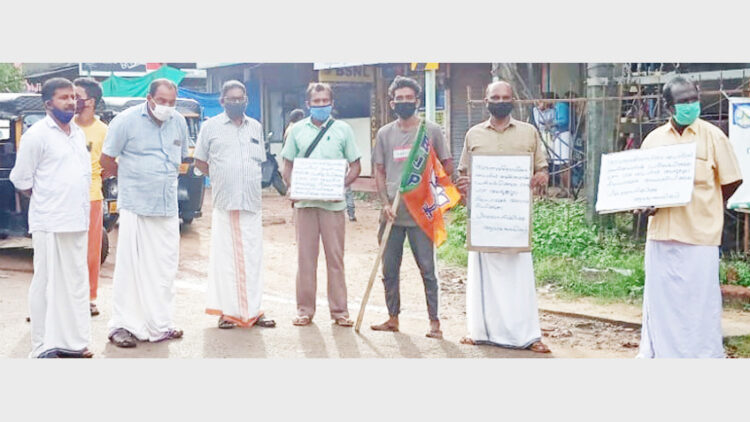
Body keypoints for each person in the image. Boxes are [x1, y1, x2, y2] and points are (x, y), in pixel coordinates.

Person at [635, 76, 742, 358]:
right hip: (661, 234)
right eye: (682, 101)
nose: (690, 105)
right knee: (662, 304)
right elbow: (642, 186)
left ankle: (701, 357)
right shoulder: (653, 140)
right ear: (669, 106)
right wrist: (645, 204)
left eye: (693, 99)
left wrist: (707, 206)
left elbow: (731, 180)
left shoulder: (713, 136)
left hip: (699, 235)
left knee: (699, 305)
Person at [456, 81, 551, 354]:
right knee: (482, 277)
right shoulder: (473, 135)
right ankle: (479, 331)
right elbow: (463, 174)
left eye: (505, 97)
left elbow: (542, 169)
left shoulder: (529, 132)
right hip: (485, 220)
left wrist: (541, 177)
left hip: (516, 221)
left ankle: (529, 336)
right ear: (486, 101)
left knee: (520, 278)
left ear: (513, 100)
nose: (500, 100)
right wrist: (463, 185)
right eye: (495, 97)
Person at [101, 79, 188, 348]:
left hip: (166, 207)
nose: (166, 107)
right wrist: (132, 180)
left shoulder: (179, 122)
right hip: (136, 206)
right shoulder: (125, 121)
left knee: (163, 267)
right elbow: (106, 160)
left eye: (171, 102)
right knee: (131, 267)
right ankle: (123, 325)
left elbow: (181, 158)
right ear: (149, 98)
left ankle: (159, 323)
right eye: (161, 101)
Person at [10, 78, 93, 358]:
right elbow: (20, 178)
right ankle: (43, 346)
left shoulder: (77, 133)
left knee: (75, 284)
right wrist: (48, 197)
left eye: (72, 96)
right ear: (48, 104)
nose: (71, 102)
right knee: (46, 283)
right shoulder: (37, 135)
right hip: (50, 221)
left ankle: (72, 343)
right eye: (63, 97)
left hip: (76, 220)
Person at [369, 76, 453, 339]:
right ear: (392, 102)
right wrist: (384, 203)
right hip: (393, 213)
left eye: (409, 99)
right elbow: (379, 171)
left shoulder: (431, 131)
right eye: (399, 99)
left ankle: (434, 322)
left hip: (420, 212)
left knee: (427, 269)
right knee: (389, 269)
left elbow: (446, 166)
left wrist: (437, 196)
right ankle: (392, 318)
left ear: (417, 101)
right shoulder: (384, 134)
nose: (404, 103)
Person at [194, 80, 276, 330]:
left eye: (240, 98)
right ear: (222, 101)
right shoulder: (210, 127)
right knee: (226, 259)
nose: (236, 102)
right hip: (226, 202)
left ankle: (254, 310)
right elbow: (200, 162)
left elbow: (258, 162)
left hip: (251, 202)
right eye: (231, 98)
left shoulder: (256, 127)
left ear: (247, 100)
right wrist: (221, 176)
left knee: (253, 258)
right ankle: (227, 312)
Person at [280, 82, 362, 327]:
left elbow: (355, 165)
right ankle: (304, 310)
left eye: (324, 101)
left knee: (335, 259)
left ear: (331, 103)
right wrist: (293, 185)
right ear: (308, 105)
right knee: (306, 258)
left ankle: (340, 312)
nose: (320, 105)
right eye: (316, 102)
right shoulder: (296, 131)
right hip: (305, 204)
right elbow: (287, 165)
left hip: (333, 206)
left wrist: (341, 185)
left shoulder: (343, 130)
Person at [73, 77, 108, 317]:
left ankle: (89, 298)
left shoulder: (104, 131)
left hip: (91, 197)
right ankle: (60, 298)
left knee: (91, 252)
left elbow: (108, 166)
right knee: (65, 251)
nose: (72, 100)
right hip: (63, 198)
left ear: (91, 101)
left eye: (77, 96)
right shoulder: (66, 126)